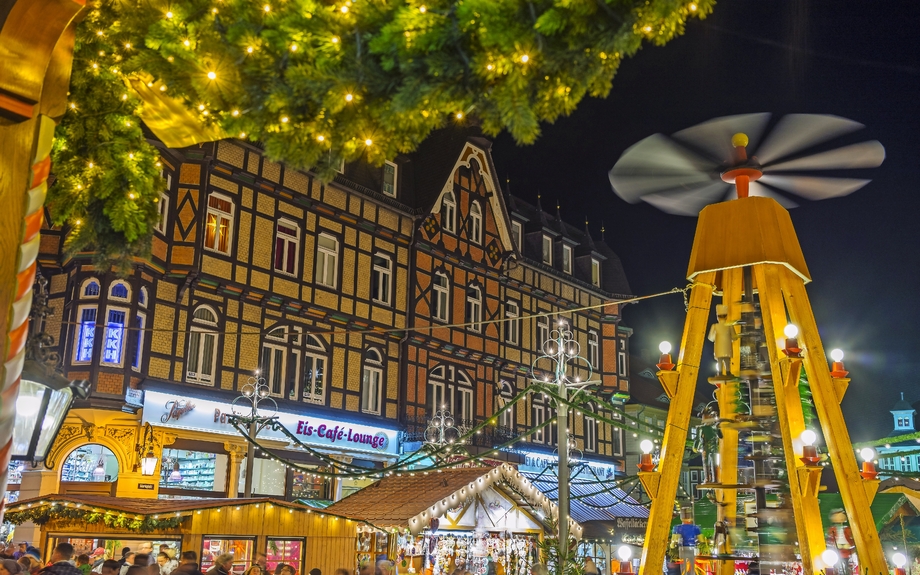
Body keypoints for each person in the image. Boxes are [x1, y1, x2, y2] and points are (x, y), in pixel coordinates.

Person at [708, 304, 739, 379]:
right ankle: (728, 373)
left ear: (717, 317)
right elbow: (734, 337)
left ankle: (720, 373)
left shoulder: (714, 326)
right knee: (727, 360)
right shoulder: (730, 325)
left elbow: (710, 338)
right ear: (726, 316)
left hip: (718, 347)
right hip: (727, 346)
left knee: (719, 361)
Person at [671, 509, 702, 575]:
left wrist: (672, 546)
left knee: (684, 566)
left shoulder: (677, 528)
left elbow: (673, 542)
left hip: (682, 549)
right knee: (692, 566)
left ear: (681, 517)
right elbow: (701, 540)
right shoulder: (696, 528)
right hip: (693, 548)